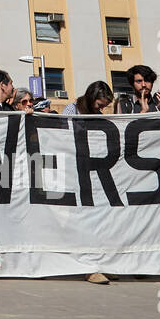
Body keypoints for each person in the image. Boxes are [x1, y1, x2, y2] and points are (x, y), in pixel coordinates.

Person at [62, 80, 115, 285]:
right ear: (92, 97)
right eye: (100, 104)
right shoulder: (71, 109)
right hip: (74, 173)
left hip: (92, 174)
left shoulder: (98, 117)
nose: (102, 108)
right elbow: (62, 136)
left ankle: (98, 265)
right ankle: (87, 268)